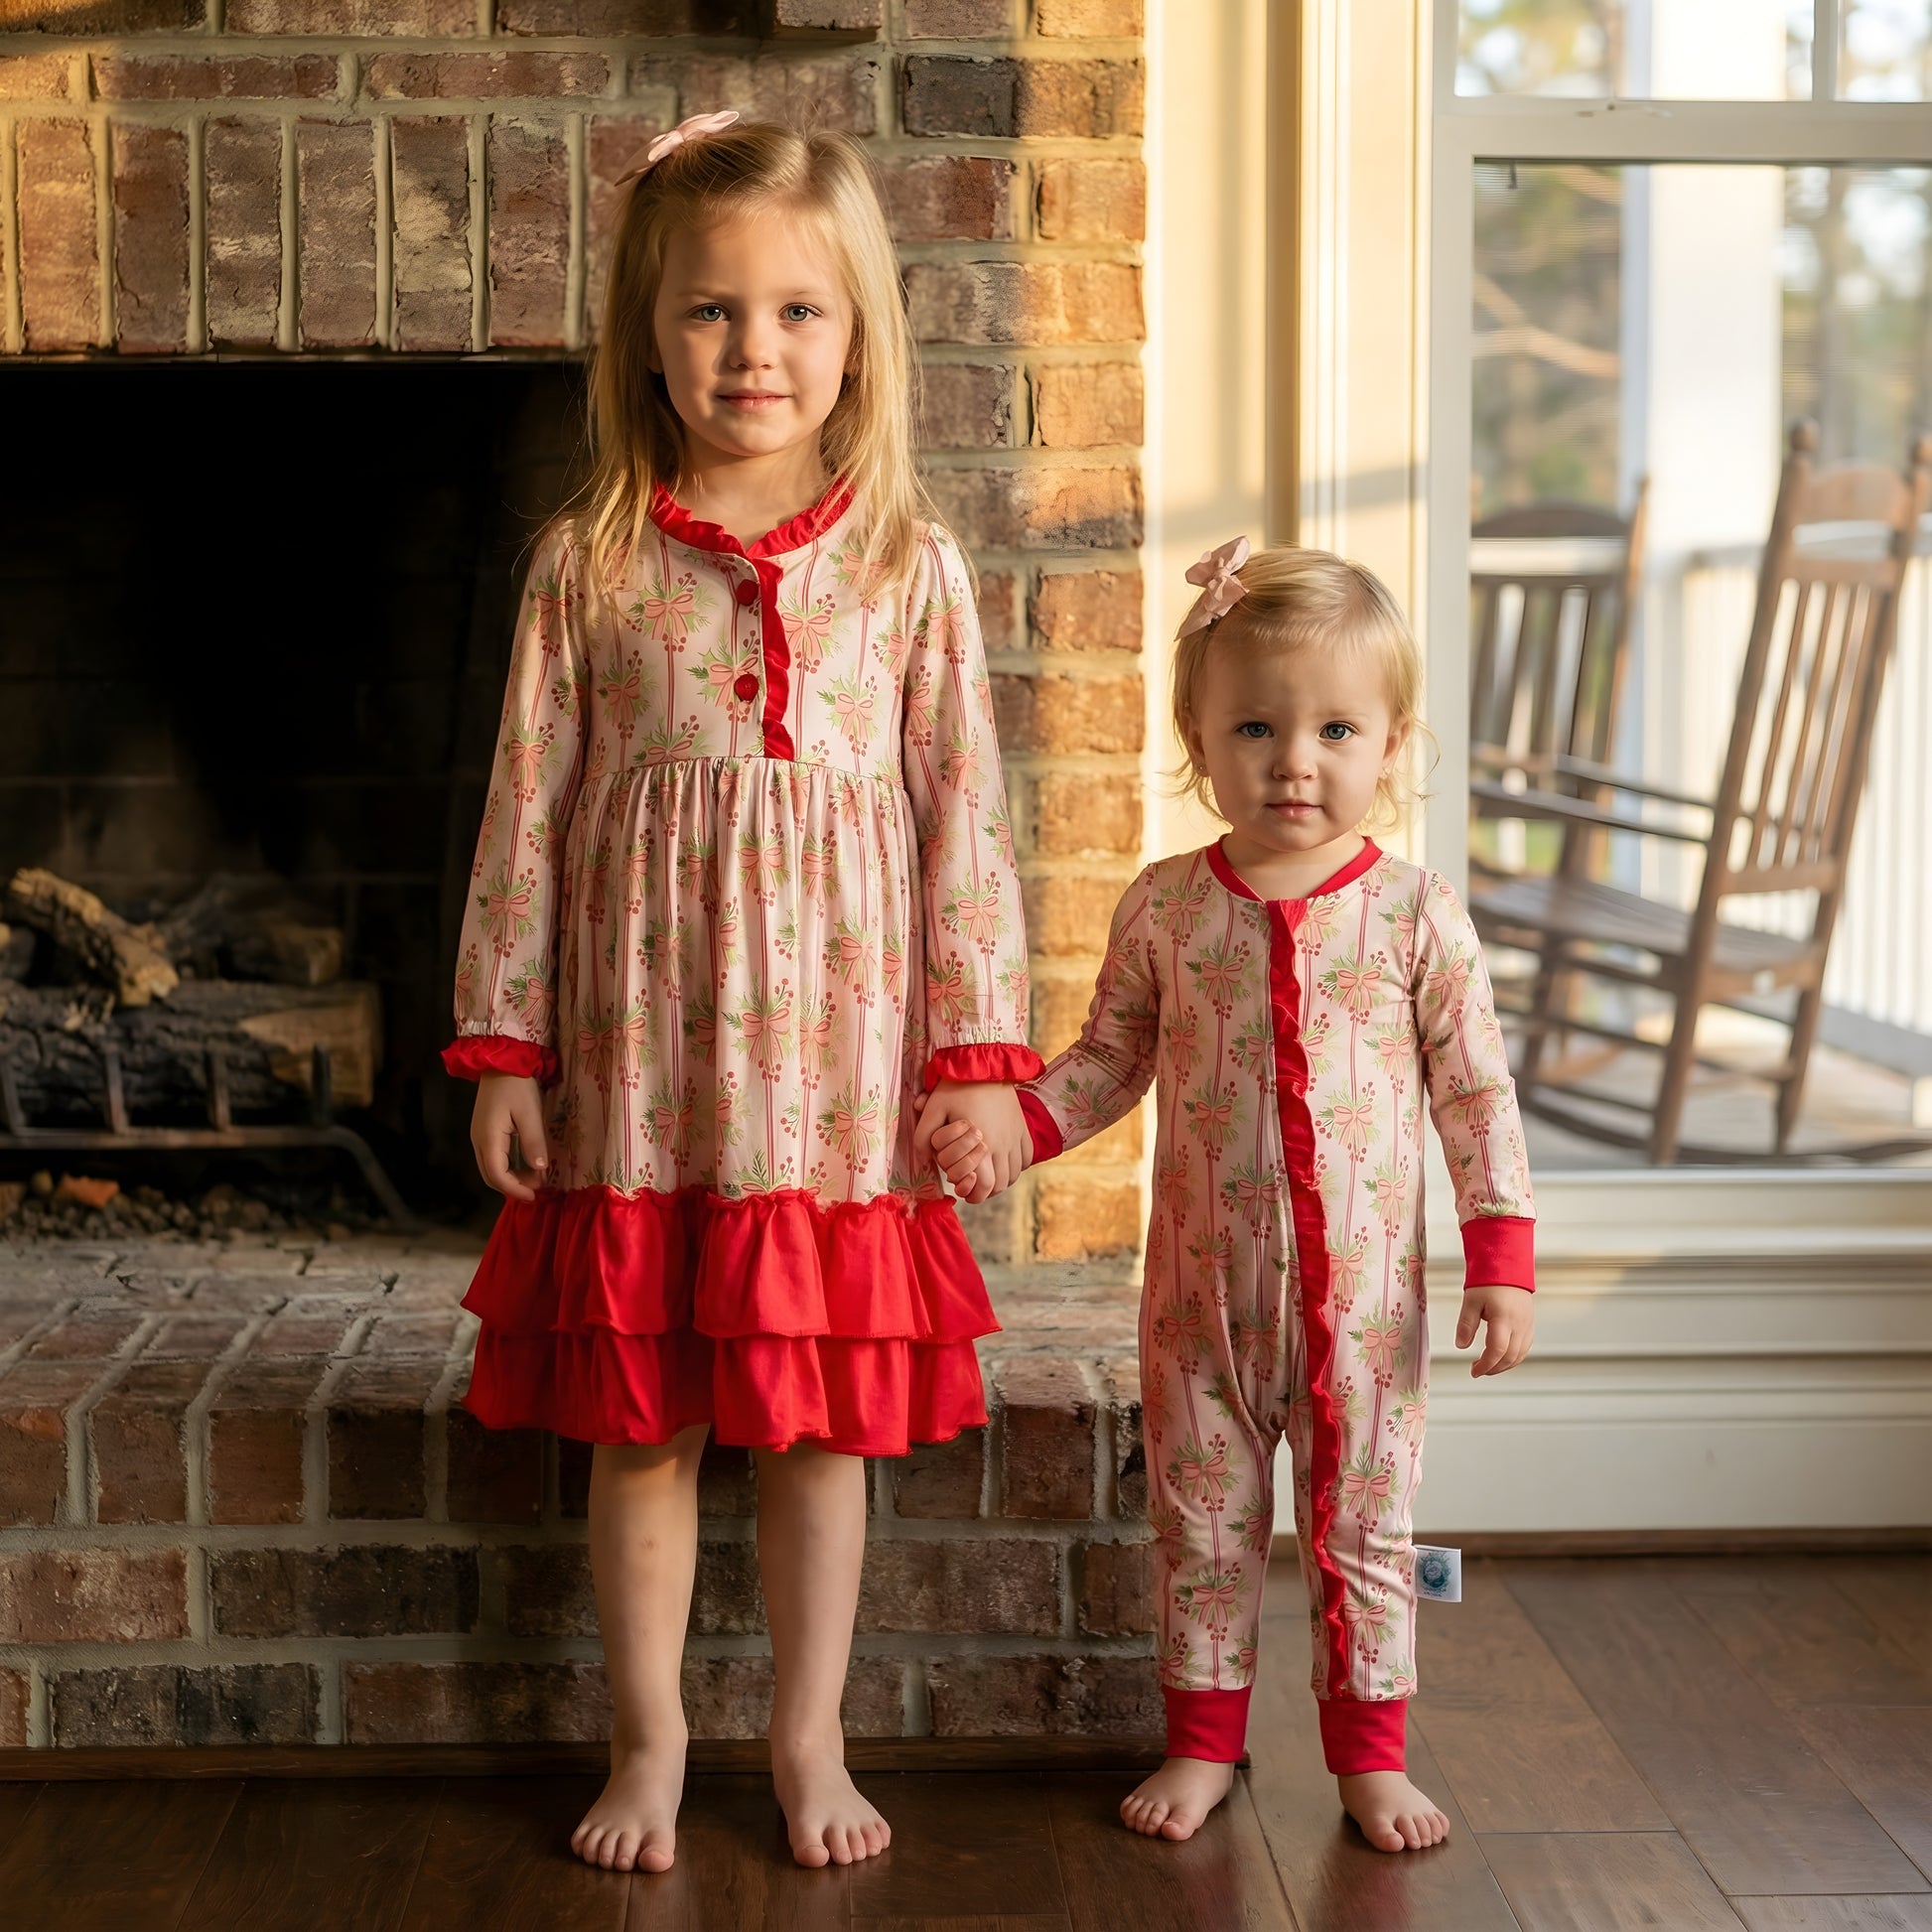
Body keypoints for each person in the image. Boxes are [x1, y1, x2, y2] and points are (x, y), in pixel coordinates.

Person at [443, 112, 1037, 1875]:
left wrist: (978, 1060)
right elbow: (522, 818)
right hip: (640, 1079)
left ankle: (806, 1734)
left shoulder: (905, 568)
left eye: (796, 312)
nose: (753, 351)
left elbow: (967, 831)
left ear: (857, 335)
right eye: (711, 312)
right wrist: (506, 1048)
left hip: (837, 1102)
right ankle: (648, 1742)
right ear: (644, 331)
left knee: (811, 1436)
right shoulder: (593, 560)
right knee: (645, 1429)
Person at [929, 539, 1536, 1853]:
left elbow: (1473, 1093)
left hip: (1360, 1315)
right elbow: (1106, 1061)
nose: (1293, 761)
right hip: (1197, 1306)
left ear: (1390, 741)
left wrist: (1501, 1252)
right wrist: (1016, 1123)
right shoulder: (1163, 909)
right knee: (1199, 1526)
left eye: (1332, 728)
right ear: (1198, 741)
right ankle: (1201, 1744)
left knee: (1360, 1529)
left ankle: (1368, 1760)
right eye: (1253, 727)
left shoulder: (1416, 917)